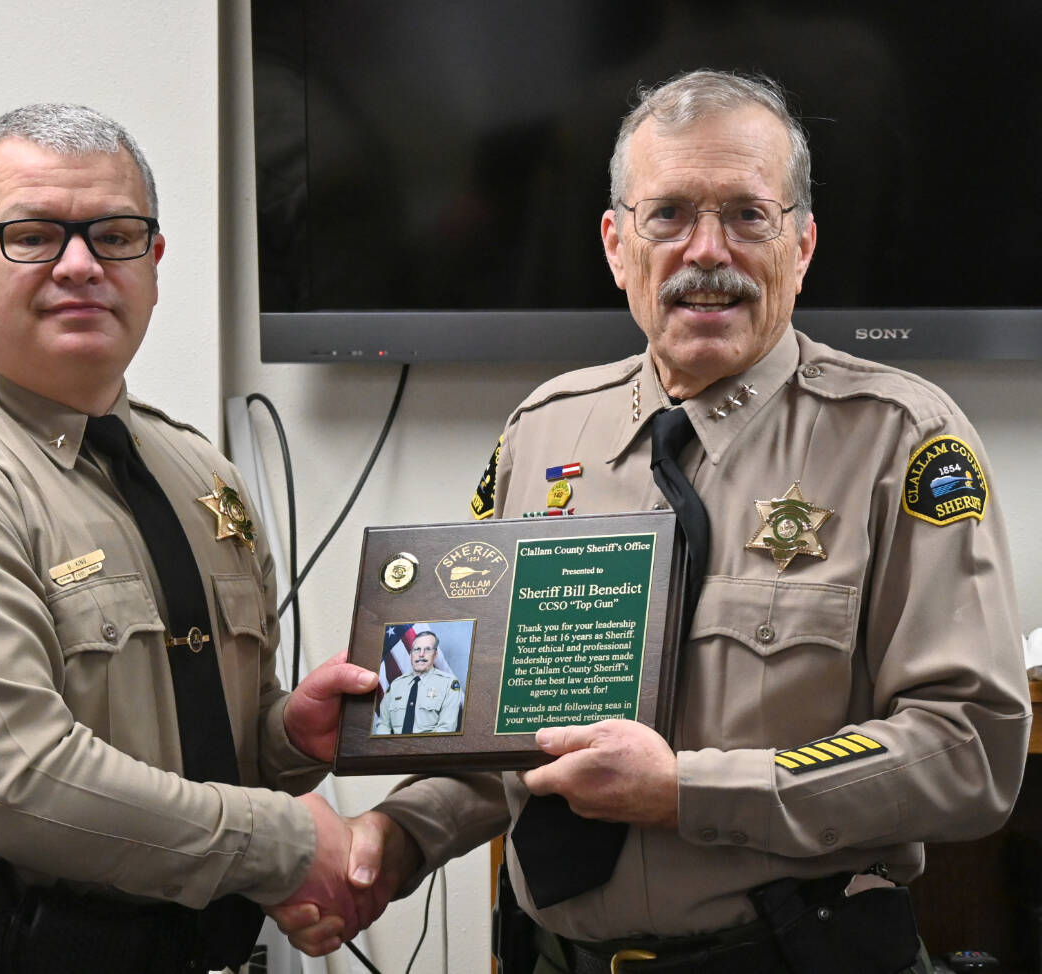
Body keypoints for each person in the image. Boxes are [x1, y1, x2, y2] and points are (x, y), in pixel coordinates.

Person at [274, 70, 1032, 972]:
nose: (705, 251)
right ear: (616, 245)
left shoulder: (901, 439)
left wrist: (686, 792)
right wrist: (396, 841)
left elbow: (970, 749)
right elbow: (506, 727)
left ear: (802, 243)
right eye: (667, 214)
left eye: (748, 216)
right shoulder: (542, 433)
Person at [0, 103, 380, 973]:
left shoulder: (198, 475)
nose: (80, 265)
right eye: (33, 235)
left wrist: (288, 739)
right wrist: (289, 840)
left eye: (113, 234)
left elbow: (203, 756)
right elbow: (16, 785)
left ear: (152, 263)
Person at [372, 631, 464, 735]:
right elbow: (383, 724)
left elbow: (446, 728)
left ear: (435, 654)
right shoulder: (395, 685)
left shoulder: (449, 684)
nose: (421, 654)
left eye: (427, 649)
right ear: (410, 655)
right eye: (417, 650)